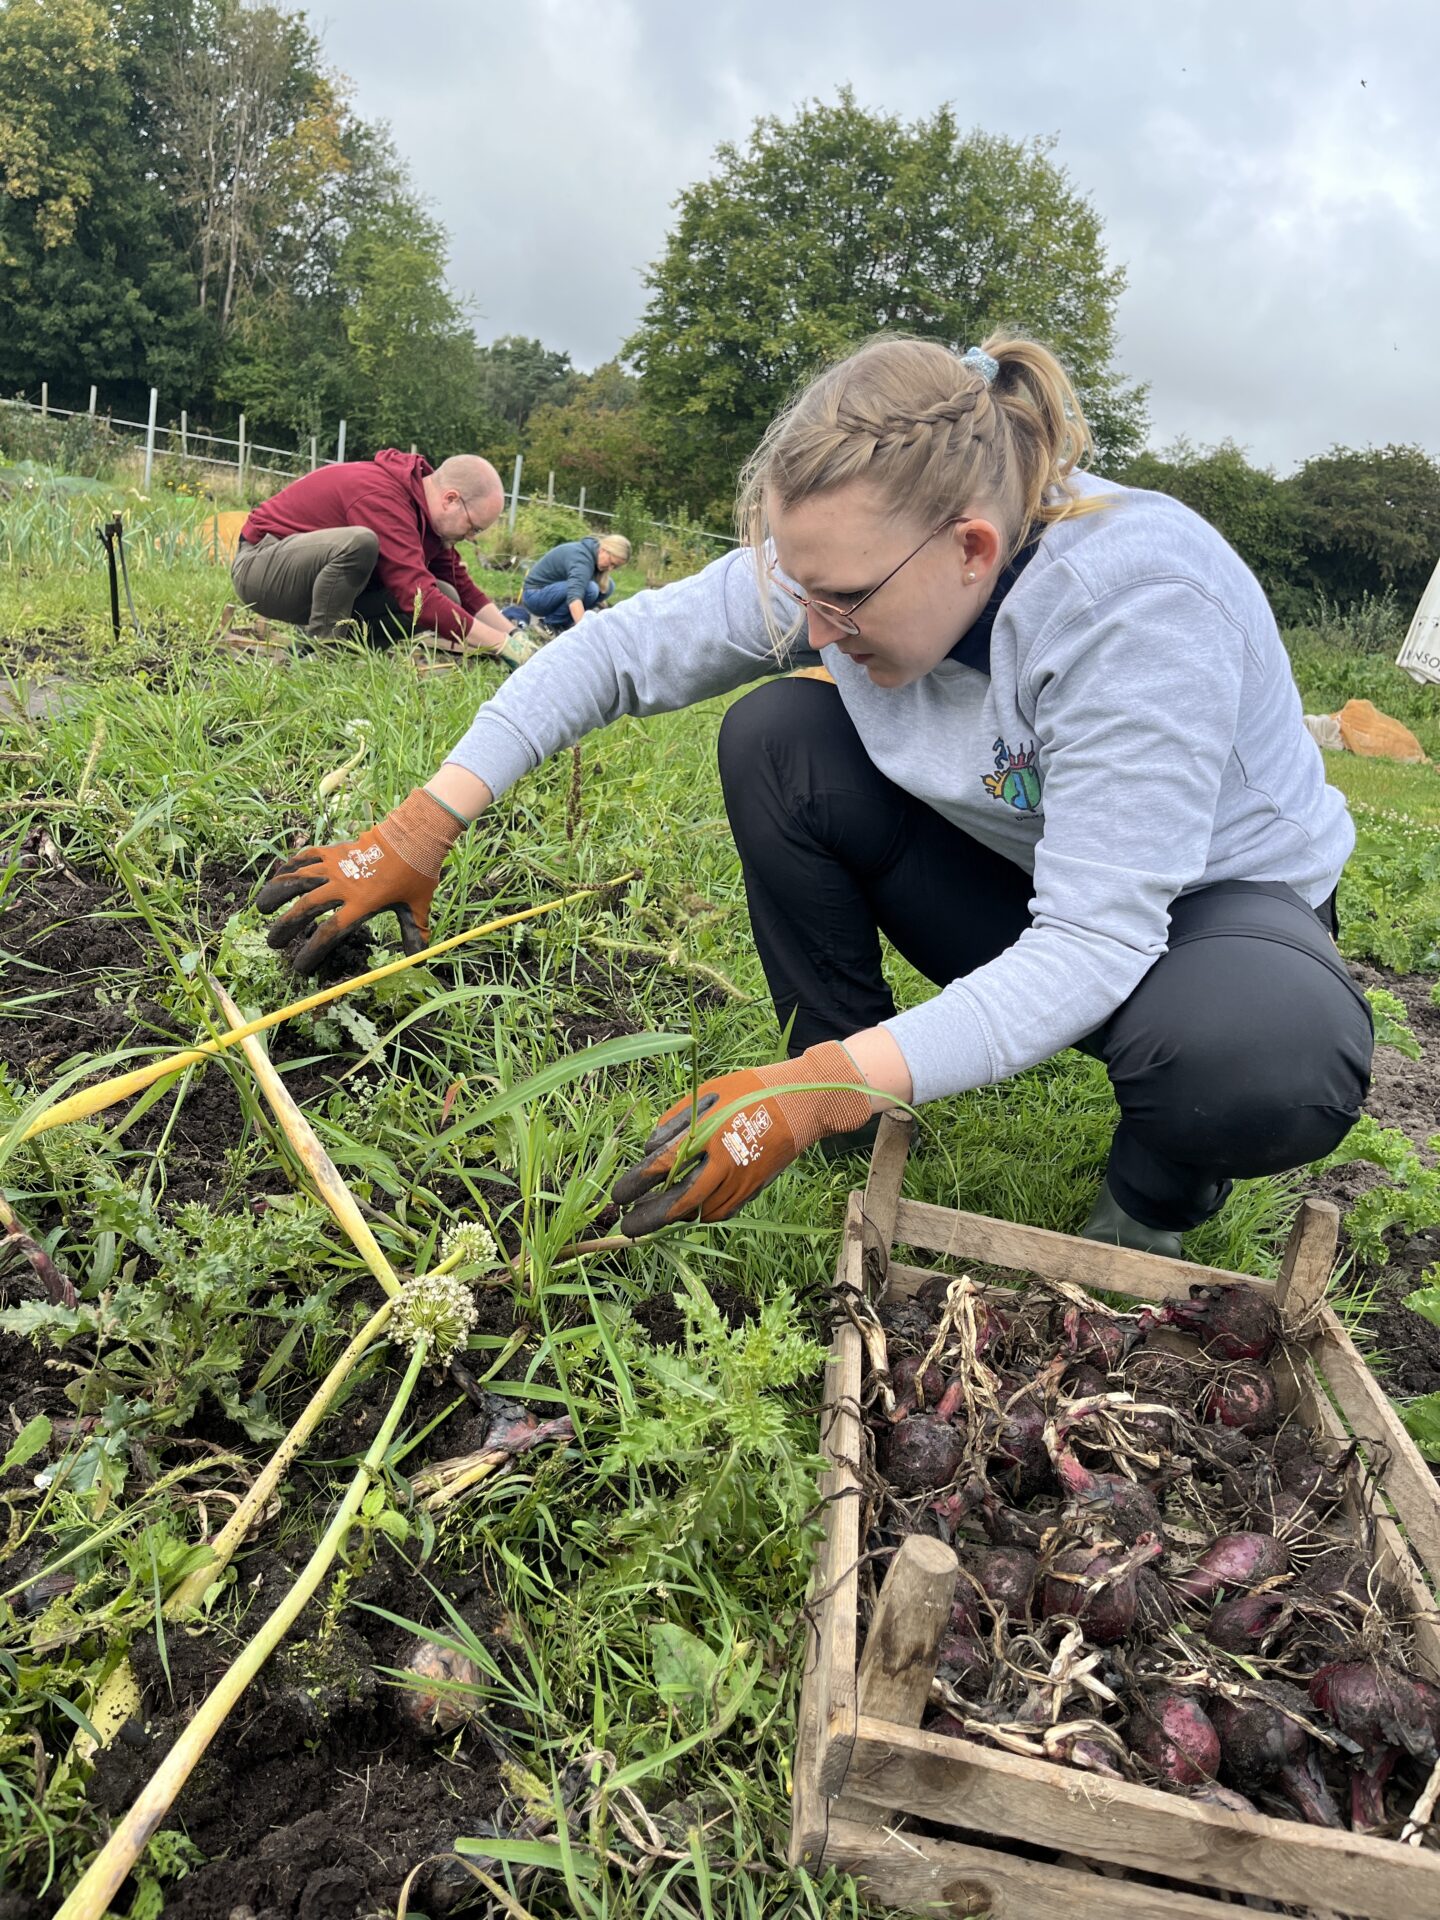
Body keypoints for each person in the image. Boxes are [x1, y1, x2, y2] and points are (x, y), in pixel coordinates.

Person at [256, 334, 1373, 1259]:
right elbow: (617, 652)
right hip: (1020, 877)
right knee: (781, 732)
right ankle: (848, 1094)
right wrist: (427, 817)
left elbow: (1096, 935)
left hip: (1203, 925)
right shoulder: (857, 558)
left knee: (1260, 1052)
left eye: (839, 603)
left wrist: (820, 1087)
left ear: (971, 546)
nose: (813, 625)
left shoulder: (1135, 605)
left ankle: (1149, 1208)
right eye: (802, 591)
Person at [232, 450, 538, 667]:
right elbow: (417, 595)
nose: (472, 538)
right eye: (473, 527)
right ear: (451, 500)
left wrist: (512, 635)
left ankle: (320, 650)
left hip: (308, 581)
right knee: (359, 544)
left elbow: (463, 589)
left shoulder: (428, 520)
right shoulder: (383, 496)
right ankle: (323, 657)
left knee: (447, 592)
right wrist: (500, 646)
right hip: (260, 568)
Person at [520, 533, 631, 632]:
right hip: (534, 596)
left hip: (552, 592)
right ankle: (551, 625)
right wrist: (584, 632)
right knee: (591, 589)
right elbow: (574, 598)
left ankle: (565, 623)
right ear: (603, 550)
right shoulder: (581, 559)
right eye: (611, 563)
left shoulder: (594, 555)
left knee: (608, 587)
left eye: (615, 567)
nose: (610, 569)